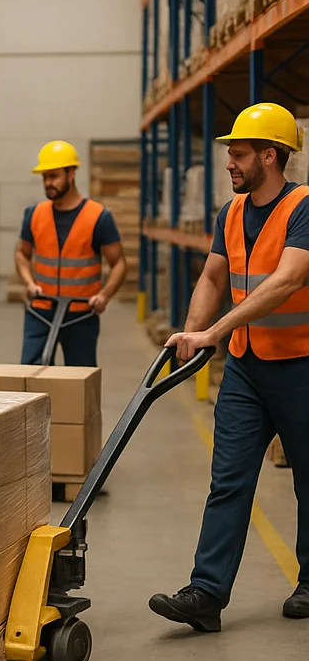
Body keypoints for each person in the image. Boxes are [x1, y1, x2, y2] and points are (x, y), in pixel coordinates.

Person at [150, 103, 309, 633]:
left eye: (238, 154)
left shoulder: (303, 208)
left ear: (270, 155)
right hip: (246, 366)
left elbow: (287, 281)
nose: (230, 164)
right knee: (228, 480)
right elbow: (213, 278)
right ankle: (207, 592)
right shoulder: (231, 213)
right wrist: (194, 337)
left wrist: (216, 332)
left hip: (300, 363)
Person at [16, 140, 128, 366]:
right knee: (30, 376)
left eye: (54, 176)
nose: (48, 183)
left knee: (79, 380)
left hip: (81, 314)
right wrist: (29, 282)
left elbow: (119, 264)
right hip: (40, 311)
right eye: (45, 177)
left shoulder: (98, 217)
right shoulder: (34, 214)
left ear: (71, 174)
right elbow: (21, 253)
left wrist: (104, 296)